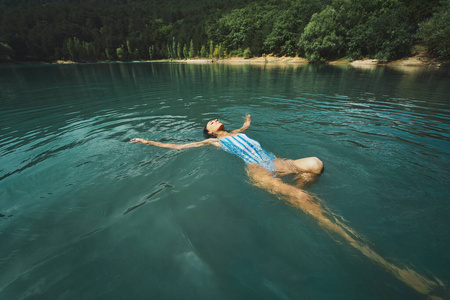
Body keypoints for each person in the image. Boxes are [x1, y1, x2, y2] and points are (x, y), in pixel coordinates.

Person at [130, 115, 444, 299]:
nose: (214, 120)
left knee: (316, 165)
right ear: (210, 133)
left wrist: (246, 122)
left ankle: (293, 193)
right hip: (259, 171)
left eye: (214, 119)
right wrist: (149, 142)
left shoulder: (236, 132)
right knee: (308, 201)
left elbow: (240, 130)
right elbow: (179, 146)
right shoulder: (213, 142)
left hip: (278, 163)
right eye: (210, 122)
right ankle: (337, 228)